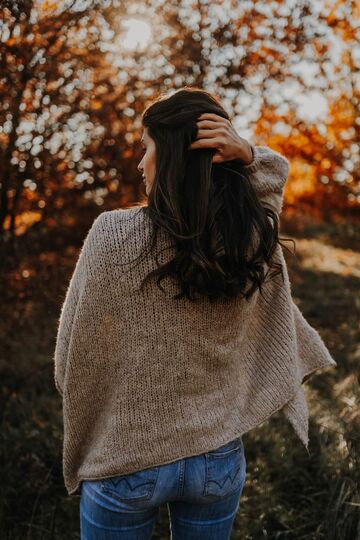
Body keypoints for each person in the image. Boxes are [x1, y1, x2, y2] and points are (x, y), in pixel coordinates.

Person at [53, 87, 337, 539]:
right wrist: (246, 152)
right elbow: (272, 178)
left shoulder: (112, 234)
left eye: (146, 149)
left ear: (169, 157)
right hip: (216, 458)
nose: (140, 164)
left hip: (126, 458)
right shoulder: (248, 239)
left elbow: (72, 355)